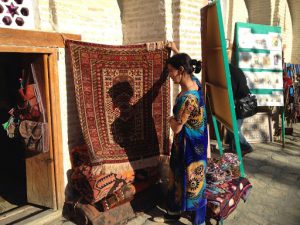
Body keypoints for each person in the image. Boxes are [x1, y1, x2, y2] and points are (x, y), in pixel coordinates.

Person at [155, 44, 208, 225]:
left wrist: (169, 119)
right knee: (178, 175)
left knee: (191, 177)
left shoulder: (188, 98)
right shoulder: (195, 83)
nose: (169, 76)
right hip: (197, 139)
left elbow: (176, 127)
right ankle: (173, 212)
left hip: (188, 144)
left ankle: (197, 219)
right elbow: (188, 62)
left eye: (171, 72)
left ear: (181, 71)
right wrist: (176, 50)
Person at [225, 64, 253, 155]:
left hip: (239, 103)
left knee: (234, 128)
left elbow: (232, 89)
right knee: (231, 126)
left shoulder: (228, 71)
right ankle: (233, 148)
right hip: (240, 100)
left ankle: (246, 146)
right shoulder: (234, 69)